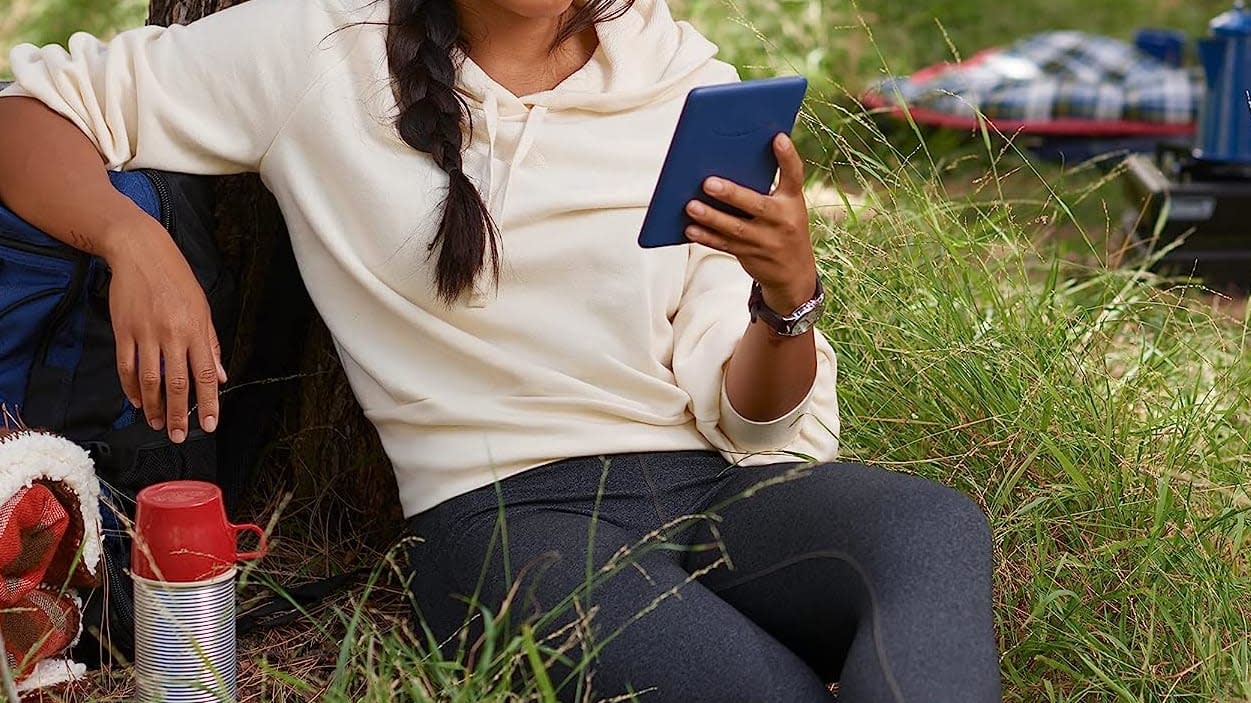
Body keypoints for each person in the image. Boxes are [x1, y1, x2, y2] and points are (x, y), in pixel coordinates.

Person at [0, 0, 1001, 700]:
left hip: (716, 487)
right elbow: (26, 111)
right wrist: (131, 238)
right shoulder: (321, 47)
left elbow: (750, 414)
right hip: (511, 518)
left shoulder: (684, 80)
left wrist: (787, 298)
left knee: (930, 527)